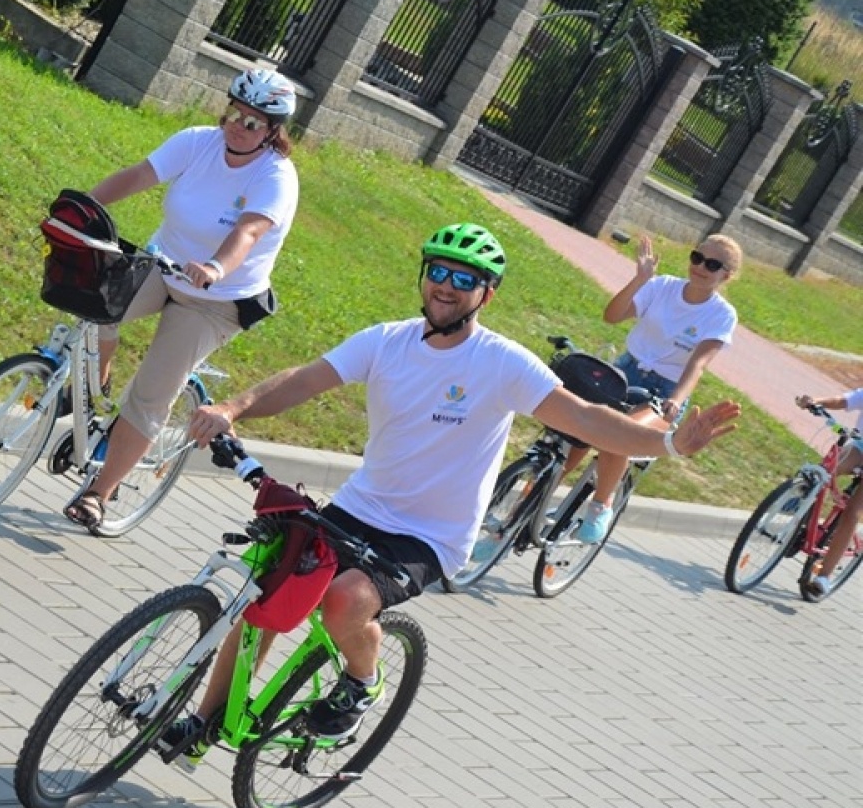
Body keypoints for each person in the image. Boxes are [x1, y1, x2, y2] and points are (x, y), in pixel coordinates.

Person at [160, 222, 740, 762]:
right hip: (361, 507)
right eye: (439, 271)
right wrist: (233, 407)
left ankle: (362, 682)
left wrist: (667, 445)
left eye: (466, 280)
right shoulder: (387, 341)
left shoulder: (501, 362)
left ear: (486, 295)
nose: (447, 286)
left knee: (345, 600)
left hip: (429, 536)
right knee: (275, 587)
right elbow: (307, 378)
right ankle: (206, 723)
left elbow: (587, 419)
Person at [63, 67, 300, 532]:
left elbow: (249, 231)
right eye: (235, 112)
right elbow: (138, 176)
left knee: (151, 394)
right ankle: (99, 382)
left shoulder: (277, 176)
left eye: (253, 122)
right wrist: (80, 207)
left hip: (216, 299)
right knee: (94, 303)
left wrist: (214, 268)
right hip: (164, 265)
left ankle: (98, 494)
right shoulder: (198, 142)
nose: (238, 125)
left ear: (272, 132)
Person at [572, 233, 740, 544]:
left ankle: (601, 505)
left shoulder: (722, 315)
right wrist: (640, 280)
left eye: (712, 264)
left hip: (664, 390)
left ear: (726, 275)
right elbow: (611, 317)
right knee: (573, 430)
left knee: (618, 436)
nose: (701, 267)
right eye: (697, 257)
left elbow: (698, 365)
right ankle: (526, 504)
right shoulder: (663, 286)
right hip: (625, 370)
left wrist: (676, 400)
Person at [792, 389, 863, 599]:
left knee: (852, 513)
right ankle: (795, 506)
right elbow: (844, 400)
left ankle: (824, 576)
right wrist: (816, 401)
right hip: (860, 446)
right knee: (825, 469)